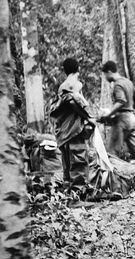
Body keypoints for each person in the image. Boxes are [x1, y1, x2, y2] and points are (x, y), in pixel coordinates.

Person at [50, 57, 93, 186]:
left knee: (67, 164)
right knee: (78, 162)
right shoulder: (73, 85)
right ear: (78, 68)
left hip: (64, 131)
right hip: (74, 130)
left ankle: (69, 193)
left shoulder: (62, 86)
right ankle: (79, 192)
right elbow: (72, 101)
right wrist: (88, 118)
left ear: (64, 70)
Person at [98, 61, 135, 160]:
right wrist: (131, 110)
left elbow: (121, 100)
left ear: (109, 72)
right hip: (132, 120)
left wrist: (108, 115)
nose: (105, 77)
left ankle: (113, 173)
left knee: (112, 152)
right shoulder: (127, 82)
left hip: (123, 121)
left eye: (105, 74)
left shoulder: (118, 85)